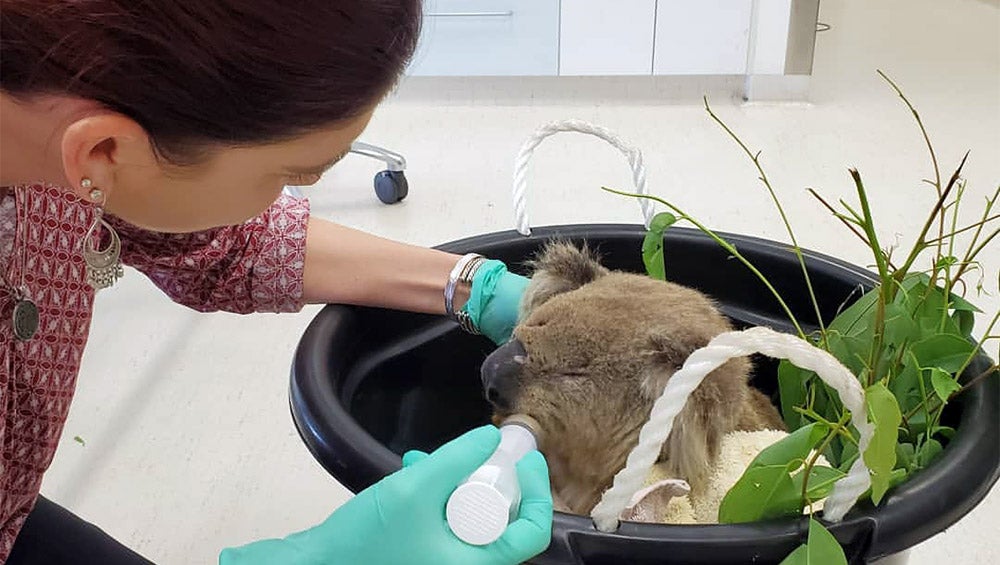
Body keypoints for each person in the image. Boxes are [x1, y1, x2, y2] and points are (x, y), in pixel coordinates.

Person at [0, 1, 554, 564]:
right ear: (103, 151)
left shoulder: (67, 139)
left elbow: (220, 240)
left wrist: (473, 286)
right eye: (290, 173)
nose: (287, 192)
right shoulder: (94, 142)